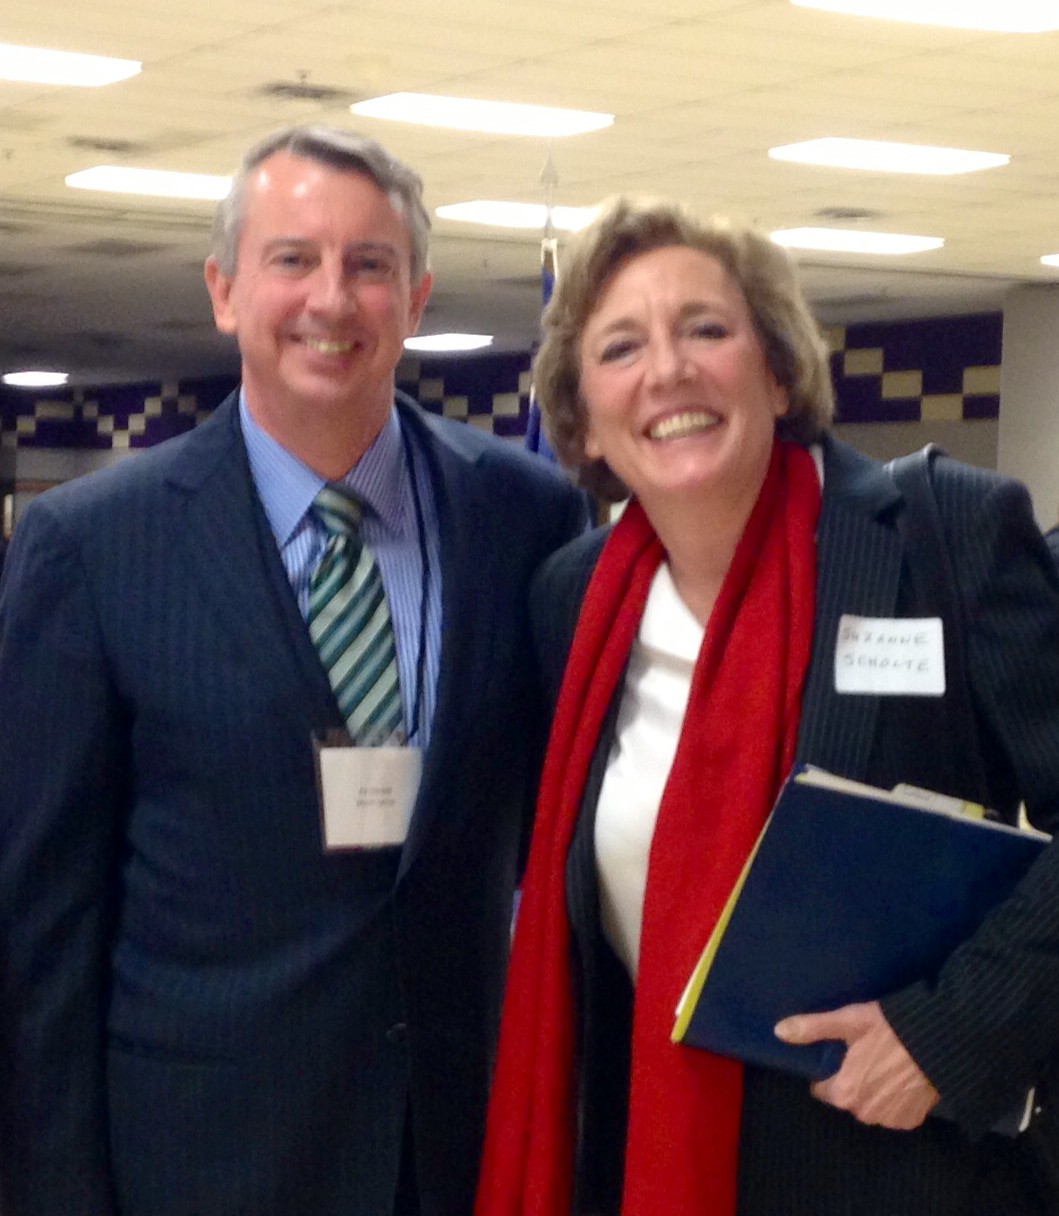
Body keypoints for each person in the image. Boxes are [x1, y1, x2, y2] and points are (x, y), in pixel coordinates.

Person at [0, 125, 587, 1216]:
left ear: (415, 299)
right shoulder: (93, 545)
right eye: (292, 259)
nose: (331, 297)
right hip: (200, 1161)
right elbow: (41, 930)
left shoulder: (527, 515)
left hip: (454, 1151)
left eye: (369, 264)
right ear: (224, 291)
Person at [474, 198, 1059, 1216]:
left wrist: (946, 1035)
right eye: (621, 347)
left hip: (910, 1170)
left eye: (706, 328)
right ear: (586, 421)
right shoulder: (572, 601)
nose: (668, 370)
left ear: (778, 372)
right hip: (649, 1165)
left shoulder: (948, 537)